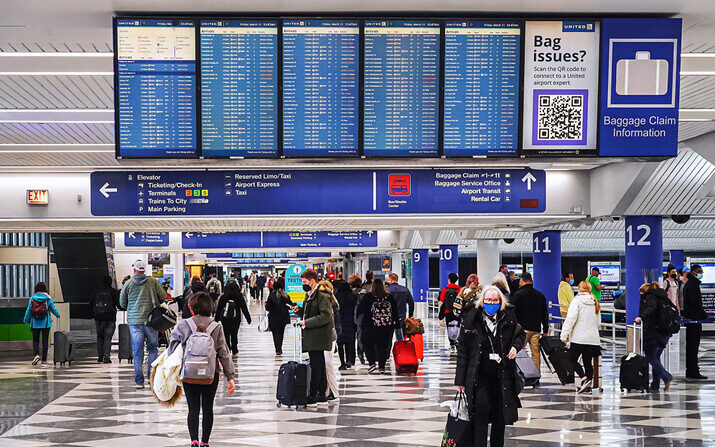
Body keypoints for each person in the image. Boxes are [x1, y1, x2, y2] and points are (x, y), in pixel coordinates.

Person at [455, 285, 525, 447]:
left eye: (494, 300)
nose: (491, 303)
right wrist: (460, 380)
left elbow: (520, 335)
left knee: (500, 417)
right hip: (479, 375)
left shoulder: (508, 317)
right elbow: (463, 351)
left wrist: (515, 346)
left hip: (502, 375)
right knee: (480, 414)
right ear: (482, 301)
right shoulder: (471, 319)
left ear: (500, 301)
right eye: (488, 300)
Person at [170, 292, 235, 447]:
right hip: (210, 374)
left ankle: (193, 441)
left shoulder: (183, 324)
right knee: (208, 408)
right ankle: (205, 442)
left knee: (192, 408)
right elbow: (223, 352)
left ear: (192, 309)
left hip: (189, 374)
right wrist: (230, 376)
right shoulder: (216, 326)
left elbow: (172, 349)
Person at [119, 260, 166, 389]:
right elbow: (163, 297)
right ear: (144, 270)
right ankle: (151, 378)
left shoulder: (128, 284)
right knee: (152, 349)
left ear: (134, 269)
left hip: (134, 323)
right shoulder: (153, 282)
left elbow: (122, 304)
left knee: (137, 351)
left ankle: (139, 381)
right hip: (151, 321)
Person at [292, 269, 334, 407]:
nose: (303, 284)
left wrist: (306, 322)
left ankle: (314, 394)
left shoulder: (322, 295)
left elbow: (326, 315)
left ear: (312, 281)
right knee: (318, 364)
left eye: (305, 282)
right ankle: (321, 395)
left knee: (316, 365)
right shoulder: (309, 294)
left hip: (319, 335)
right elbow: (309, 314)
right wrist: (300, 311)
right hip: (313, 334)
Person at [560, 281, 602, 393]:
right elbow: (598, 322)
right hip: (593, 338)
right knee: (588, 362)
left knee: (571, 359)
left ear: (579, 289)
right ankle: (587, 384)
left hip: (579, 338)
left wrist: (564, 335)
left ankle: (583, 378)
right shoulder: (595, 302)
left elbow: (570, 319)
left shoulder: (576, 301)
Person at [635, 282, 673, 391]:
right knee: (656, 358)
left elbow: (651, 309)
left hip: (654, 331)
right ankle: (655, 384)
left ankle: (666, 377)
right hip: (665, 331)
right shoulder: (662, 296)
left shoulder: (650, 297)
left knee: (651, 357)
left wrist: (641, 317)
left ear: (644, 292)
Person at [357, 278, 399, 374]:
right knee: (383, 347)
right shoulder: (389, 297)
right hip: (386, 327)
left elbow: (360, 309)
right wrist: (396, 323)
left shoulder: (368, 297)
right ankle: (382, 367)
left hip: (369, 326)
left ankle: (372, 363)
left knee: (367, 344)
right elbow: (395, 311)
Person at [510, 272, 549, 372]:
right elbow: (544, 314)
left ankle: (519, 374)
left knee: (518, 352)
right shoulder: (540, 295)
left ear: (522, 281)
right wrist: (545, 330)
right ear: (532, 281)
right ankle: (536, 374)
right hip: (536, 329)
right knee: (535, 353)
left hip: (521, 330)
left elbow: (513, 313)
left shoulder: (517, 295)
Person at [23, 282, 61, 368]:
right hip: (45, 323)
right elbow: (52, 308)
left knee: (35, 340)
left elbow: (29, 310)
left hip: (35, 323)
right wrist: (58, 315)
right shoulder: (47, 298)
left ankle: (37, 354)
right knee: (45, 341)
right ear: (45, 289)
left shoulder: (33, 298)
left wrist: (26, 320)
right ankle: (44, 361)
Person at [682, 264, 708, 380]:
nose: (701, 273)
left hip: (691, 317)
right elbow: (695, 302)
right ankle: (693, 371)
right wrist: (703, 314)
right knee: (693, 346)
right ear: (693, 273)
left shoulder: (690, 283)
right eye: (699, 271)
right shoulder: (693, 285)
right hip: (694, 319)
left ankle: (692, 370)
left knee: (692, 346)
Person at [319, 280, 342, 402]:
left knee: (328, 365)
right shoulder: (332, 301)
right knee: (325, 365)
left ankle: (334, 392)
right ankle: (327, 391)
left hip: (328, 337)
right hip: (330, 336)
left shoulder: (329, 302)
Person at [214, 282, 251, 356]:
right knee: (234, 333)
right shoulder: (239, 296)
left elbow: (219, 309)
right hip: (236, 318)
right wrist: (248, 318)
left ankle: (227, 347)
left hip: (225, 318)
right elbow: (244, 308)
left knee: (226, 334)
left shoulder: (224, 297)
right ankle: (235, 348)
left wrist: (216, 319)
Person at [90, 274, 120, 363]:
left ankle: (100, 356)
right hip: (110, 317)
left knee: (99, 336)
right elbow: (119, 304)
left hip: (98, 317)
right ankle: (107, 357)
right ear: (111, 282)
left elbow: (91, 303)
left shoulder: (96, 291)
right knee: (107, 337)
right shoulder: (114, 291)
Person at [265, 278, 294, 355]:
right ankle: (280, 347)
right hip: (283, 317)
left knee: (275, 333)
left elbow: (267, 308)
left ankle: (278, 349)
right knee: (281, 333)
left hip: (273, 318)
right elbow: (290, 304)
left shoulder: (271, 296)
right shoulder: (286, 296)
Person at [335, 278, 358, 370]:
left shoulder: (336, 297)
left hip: (339, 322)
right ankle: (350, 360)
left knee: (340, 344)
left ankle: (342, 363)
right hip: (351, 322)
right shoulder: (353, 296)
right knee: (351, 343)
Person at [386, 273, 415, 341]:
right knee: (400, 335)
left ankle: (387, 350)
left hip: (388, 316)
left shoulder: (386, 290)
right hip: (401, 316)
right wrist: (410, 315)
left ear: (390, 280)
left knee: (387, 336)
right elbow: (411, 303)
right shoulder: (405, 290)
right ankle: (400, 349)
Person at [439, 272, 462, 350]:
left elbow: (442, 299)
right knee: (457, 326)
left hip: (447, 311)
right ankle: (457, 340)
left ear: (449, 280)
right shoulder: (459, 289)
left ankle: (451, 343)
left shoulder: (445, 289)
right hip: (457, 311)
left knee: (450, 327)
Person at [352, 275, 368, 365]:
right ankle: (360, 353)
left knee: (359, 335)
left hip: (358, 317)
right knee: (360, 336)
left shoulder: (354, 293)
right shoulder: (363, 292)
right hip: (360, 317)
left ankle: (360, 353)